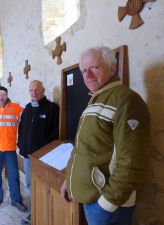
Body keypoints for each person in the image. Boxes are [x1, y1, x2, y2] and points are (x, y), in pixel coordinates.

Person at [60, 46, 151, 225]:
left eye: (95, 67)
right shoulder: (96, 99)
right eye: (84, 70)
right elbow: (83, 148)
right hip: (92, 199)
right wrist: (69, 181)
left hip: (108, 206)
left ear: (112, 68)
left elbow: (132, 162)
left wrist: (106, 204)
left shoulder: (126, 100)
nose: (88, 75)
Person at [18, 80, 59, 225]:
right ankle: (34, 212)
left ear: (43, 91)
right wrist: (20, 144)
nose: (33, 93)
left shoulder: (52, 109)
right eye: (31, 90)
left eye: (36, 90)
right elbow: (22, 128)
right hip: (28, 156)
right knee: (30, 185)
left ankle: (43, 213)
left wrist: (43, 150)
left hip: (44, 158)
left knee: (43, 186)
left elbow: (55, 133)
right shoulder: (27, 108)